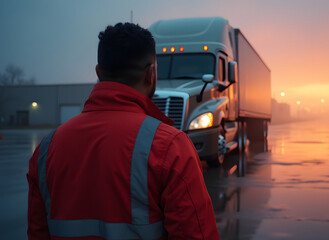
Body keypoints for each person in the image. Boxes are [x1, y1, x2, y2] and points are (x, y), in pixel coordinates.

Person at [27, 23, 220, 240]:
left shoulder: (45, 149)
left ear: (99, 73)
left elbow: (37, 232)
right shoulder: (171, 147)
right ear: (151, 74)